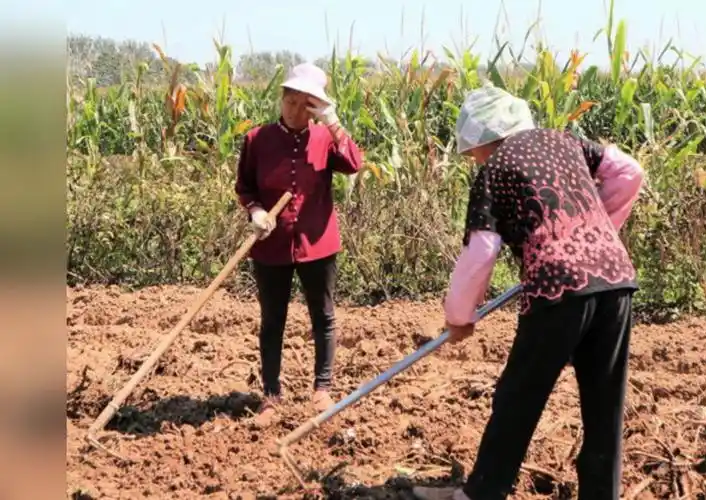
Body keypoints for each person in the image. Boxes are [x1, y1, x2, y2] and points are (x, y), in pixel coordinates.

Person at [412, 85, 645, 500]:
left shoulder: (495, 168)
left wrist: (459, 316)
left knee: (519, 394)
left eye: (474, 152)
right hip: (615, 277)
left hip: (557, 285)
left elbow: (482, 249)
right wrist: (596, 232)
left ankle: (481, 493)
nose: (474, 160)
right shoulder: (566, 141)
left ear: (485, 139)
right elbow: (629, 172)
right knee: (604, 405)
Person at [234, 62, 363, 427]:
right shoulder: (257, 139)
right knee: (272, 320)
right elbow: (245, 188)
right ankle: (271, 396)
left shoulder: (325, 138)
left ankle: (322, 388)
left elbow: (353, 163)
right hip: (271, 245)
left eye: (304, 104)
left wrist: (333, 121)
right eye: (289, 101)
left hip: (317, 242)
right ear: (281, 99)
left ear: (314, 106)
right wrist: (256, 211)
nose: (293, 110)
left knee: (322, 316)